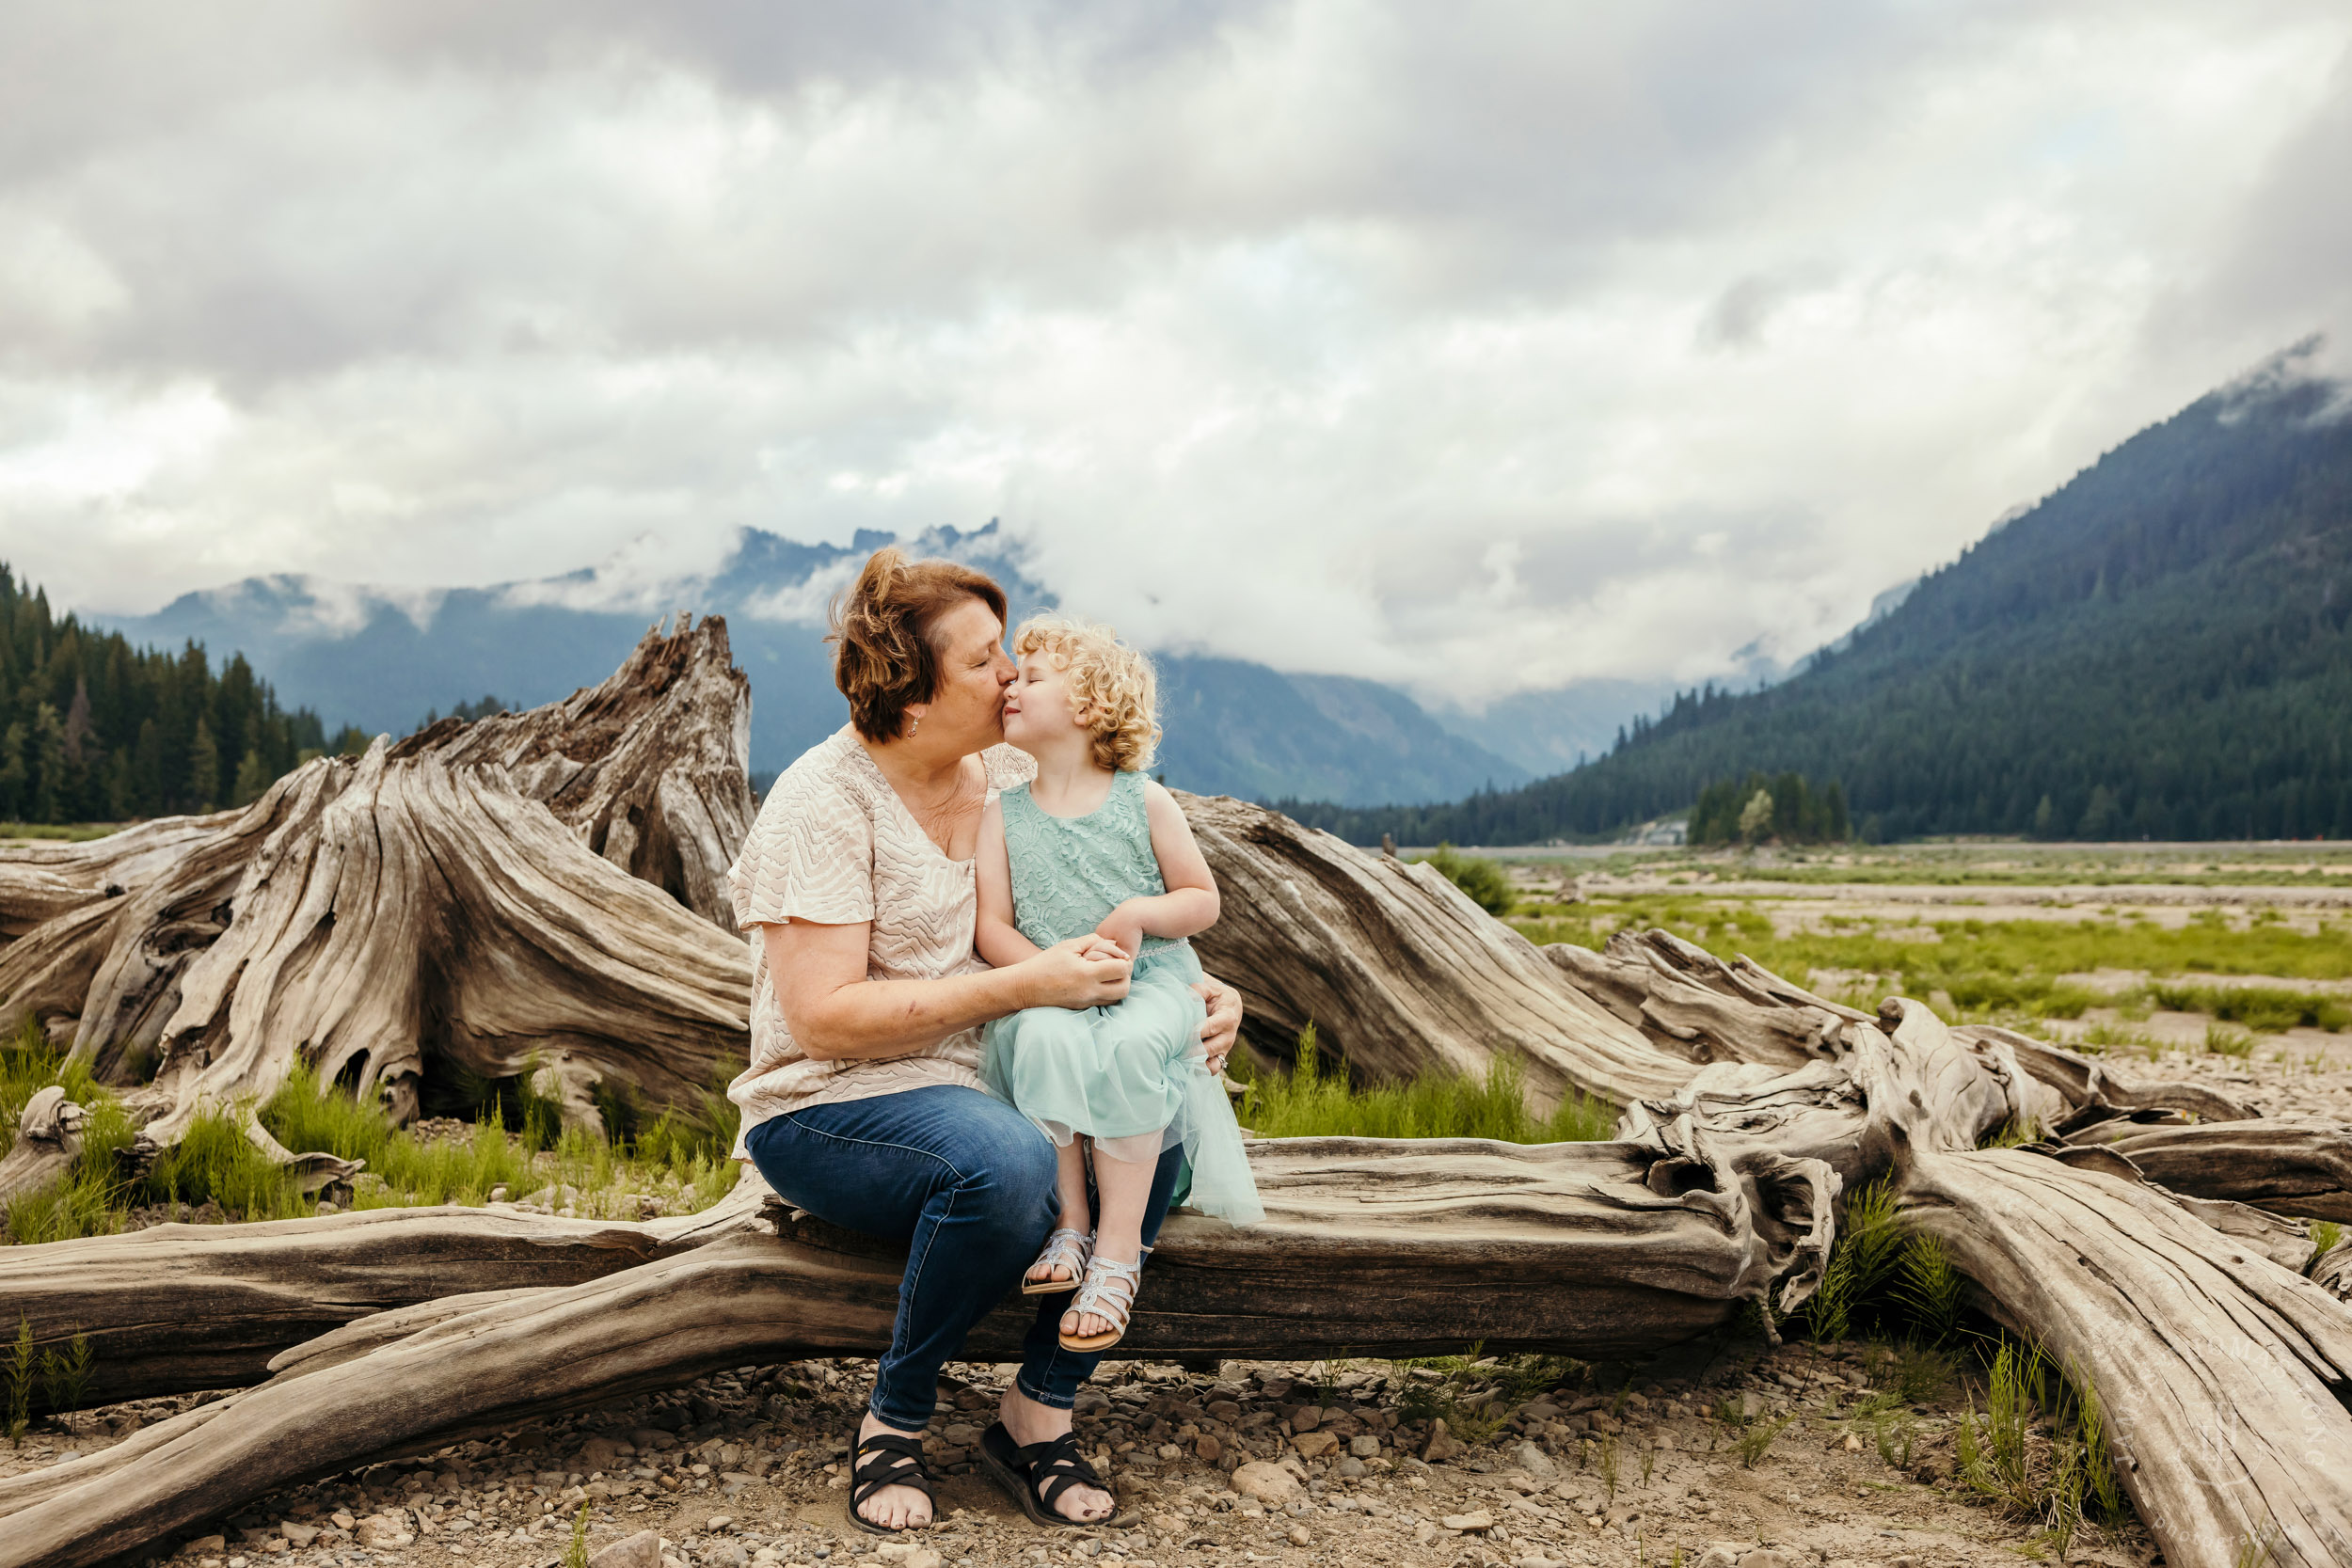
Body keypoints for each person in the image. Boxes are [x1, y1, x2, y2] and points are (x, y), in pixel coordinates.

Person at [724, 548, 1245, 1538]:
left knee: (1163, 1126)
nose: (1011, 674)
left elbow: (1113, 913)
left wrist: (1203, 990)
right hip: (835, 1101)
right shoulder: (822, 800)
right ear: (909, 699)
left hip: (1000, 1069)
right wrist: (1022, 982)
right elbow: (822, 1015)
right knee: (1005, 1166)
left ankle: (1036, 1413)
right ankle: (895, 1415)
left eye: (1009, 653)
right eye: (983, 661)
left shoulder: (1013, 770)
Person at [975, 616, 1263, 1357]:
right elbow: (992, 926)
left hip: (1155, 983)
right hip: (1054, 987)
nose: (1013, 682)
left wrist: (1137, 912)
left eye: (1034, 678)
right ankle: (1070, 1222)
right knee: (1037, 1038)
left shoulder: (1143, 801)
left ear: (1091, 707)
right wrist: (1044, 974)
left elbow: (1203, 900)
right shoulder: (1000, 815)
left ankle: (1118, 1251)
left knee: (1135, 1046)